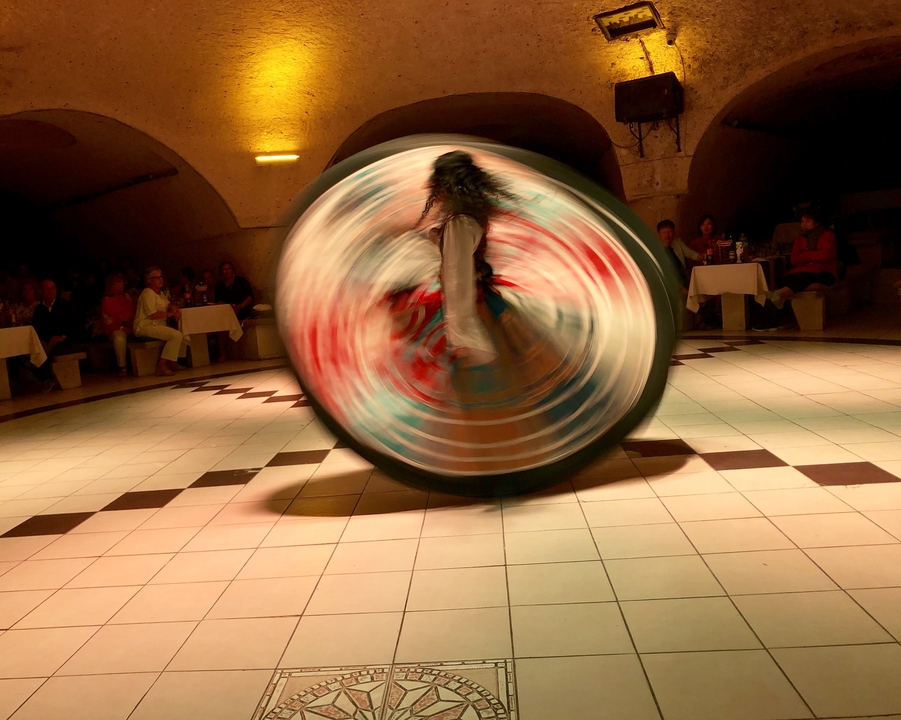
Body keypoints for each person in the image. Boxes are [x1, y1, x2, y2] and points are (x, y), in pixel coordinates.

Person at [417, 150, 515, 364]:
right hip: (480, 300)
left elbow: (456, 280)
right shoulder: (470, 217)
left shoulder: (459, 223)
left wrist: (462, 335)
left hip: (470, 312)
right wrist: (439, 239)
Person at [771, 209, 838, 307]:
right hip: (805, 270)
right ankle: (779, 296)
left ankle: (778, 296)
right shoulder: (799, 239)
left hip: (825, 271)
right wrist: (814, 257)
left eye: (808, 221)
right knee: (785, 280)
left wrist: (805, 255)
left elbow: (825, 256)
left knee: (804, 278)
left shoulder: (828, 235)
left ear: (816, 222)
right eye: (802, 221)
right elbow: (794, 260)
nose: (804, 224)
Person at [134, 266, 186, 376]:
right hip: (146, 326)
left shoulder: (160, 293)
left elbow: (167, 303)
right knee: (175, 335)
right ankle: (161, 365)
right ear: (149, 280)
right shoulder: (147, 293)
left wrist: (174, 309)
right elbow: (153, 315)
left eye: (161, 277)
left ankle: (171, 361)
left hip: (158, 325)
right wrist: (169, 314)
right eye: (156, 277)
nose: (160, 279)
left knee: (182, 329)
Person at [31, 278, 79, 384]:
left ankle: (46, 379)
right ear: (41, 291)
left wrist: (63, 337)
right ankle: (46, 378)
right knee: (35, 351)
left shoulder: (65, 305)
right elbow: (36, 328)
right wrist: (42, 340)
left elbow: (76, 326)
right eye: (47, 288)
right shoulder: (39, 309)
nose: (50, 291)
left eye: (53, 288)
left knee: (46, 352)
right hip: (47, 341)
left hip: (65, 340)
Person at [214, 261, 254, 362]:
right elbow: (218, 301)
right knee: (222, 321)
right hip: (227, 311)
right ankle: (221, 351)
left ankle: (222, 352)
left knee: (225, 319)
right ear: (221, 272)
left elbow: (250, 297)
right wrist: (228, 307)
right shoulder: (219, 286)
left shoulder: (241, 281)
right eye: (224, 269)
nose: (227, 271)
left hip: (242, 309)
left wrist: (239, 306)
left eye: (229, 269)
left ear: (233, 270)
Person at [100, 272, 135, 377]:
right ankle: (122, 366)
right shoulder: (106, 300)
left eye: (122, 281)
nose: (122, 284)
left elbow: (134, 312)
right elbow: (108, 320)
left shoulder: (128, 297)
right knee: (119, 337)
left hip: (132, 326)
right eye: (119, 282)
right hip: (117, 329)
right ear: (112, 284)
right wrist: (121, 327)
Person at [657, 219, 698, 287]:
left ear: (674, 232)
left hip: (683, 278)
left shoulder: (678, 242)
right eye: (664, 232)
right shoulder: (656, 248)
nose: (667, 234)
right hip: (668, 283)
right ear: (659, 234)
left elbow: (689, 253)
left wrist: (700, 256)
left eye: (669, 231)